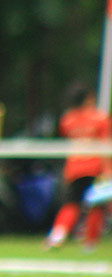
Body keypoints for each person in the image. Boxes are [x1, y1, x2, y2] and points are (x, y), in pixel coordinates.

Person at [45, 83, 111, 252]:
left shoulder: (67, 119)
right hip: (96, 166)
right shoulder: (100, 118)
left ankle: (57, 236)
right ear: (88, 98)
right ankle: (89, 243)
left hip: (74, 167)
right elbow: (105, 145)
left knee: (71, 203)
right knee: (97, 204)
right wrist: (108, 170)